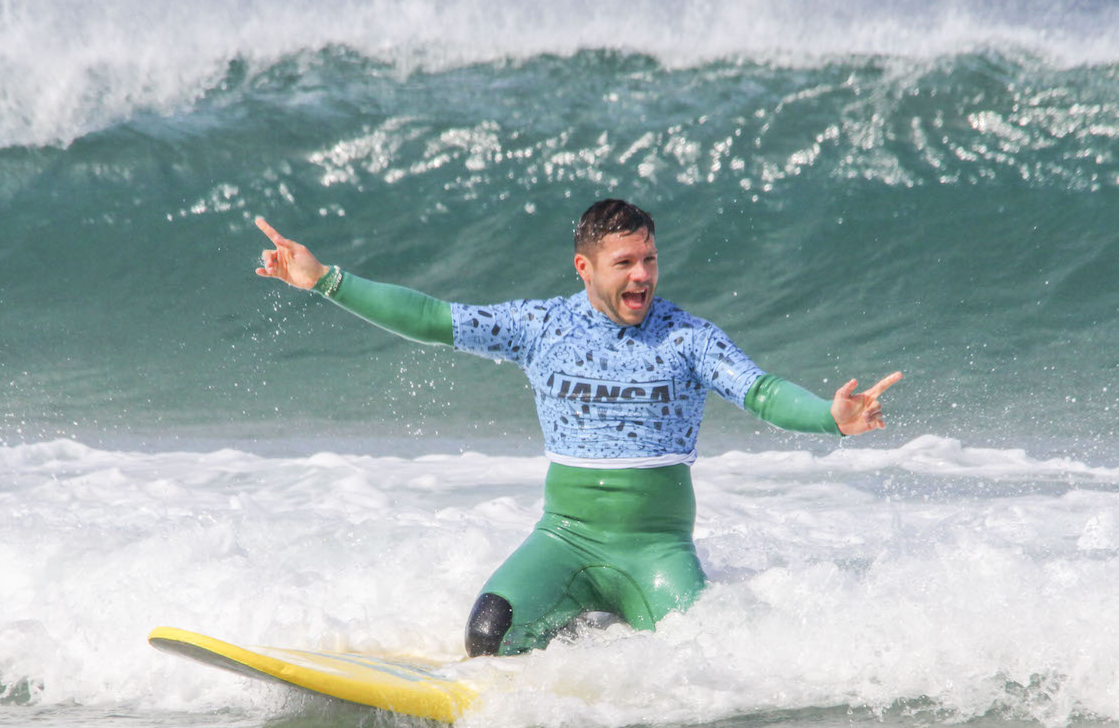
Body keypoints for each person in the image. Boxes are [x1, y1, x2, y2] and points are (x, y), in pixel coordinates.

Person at [255, 200, 901, 656]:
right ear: (584, 268)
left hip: (656, 548)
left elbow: (759, 391)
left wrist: (829, 416)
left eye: (649, 258)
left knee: (705, 658)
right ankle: (575, 627)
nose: (642, 274)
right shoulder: (541, 327)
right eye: (624, 262)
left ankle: (605, 621)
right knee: (487, 636)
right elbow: (432, 317)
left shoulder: (688, 337)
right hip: (564, 537)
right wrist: (323, 280)